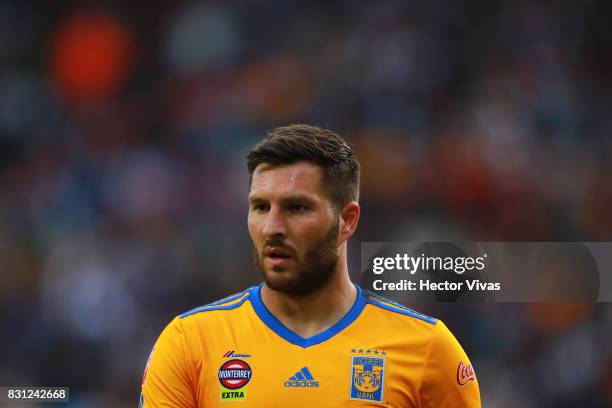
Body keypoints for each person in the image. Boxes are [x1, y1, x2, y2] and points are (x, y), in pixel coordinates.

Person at [139, 124, 481, 407]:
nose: (272, 227)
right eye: (260, 207)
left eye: (296, 208)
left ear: (346, 221)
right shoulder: (191, 343)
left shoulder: (427, 349)